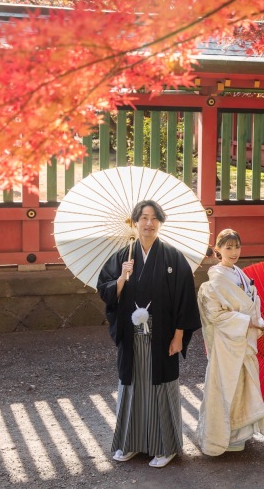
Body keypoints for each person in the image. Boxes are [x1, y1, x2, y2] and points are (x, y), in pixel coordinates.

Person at [97, 199, 201, 468]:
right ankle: (130, 443)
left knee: (160, 389)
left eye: (154, 218)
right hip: (132, 337)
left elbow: (184, 298)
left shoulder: (172, 257)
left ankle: (165, 446)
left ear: (160, 223)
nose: (149, 223)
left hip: (162, 335)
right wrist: (122, 278)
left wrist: (179, 336)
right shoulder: (123, 257)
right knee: (132, 387)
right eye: (143, 218)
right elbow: (105, 292)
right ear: (135, 222)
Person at [196, 228, 264, 455]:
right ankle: (221, 438)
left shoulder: (239, 273)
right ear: (217, 250)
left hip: (243, 337)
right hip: (226, 342)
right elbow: (216, 316)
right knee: (225, 385)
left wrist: (261, 323)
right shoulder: (215, 280)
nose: (234, 251)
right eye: (228, 247)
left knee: (243, 385)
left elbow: (252, 304)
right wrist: (249, 322)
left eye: (237, 246)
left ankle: (241, 433)